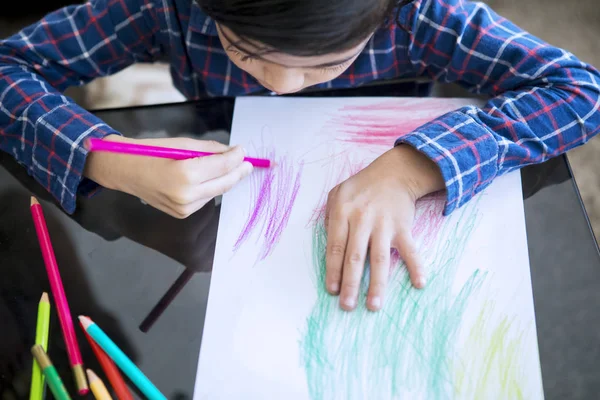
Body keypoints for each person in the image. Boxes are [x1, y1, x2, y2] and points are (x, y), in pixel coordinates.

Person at [1, 0, 599, 312]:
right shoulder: (164, 9)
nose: (282, 87)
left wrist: (414, 166)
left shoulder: (424, 16)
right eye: (246, 53)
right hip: (218, 199)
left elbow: (580, 92)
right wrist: (108, 154)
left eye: (327, 65)